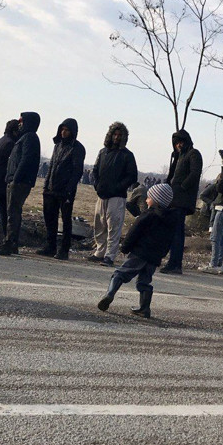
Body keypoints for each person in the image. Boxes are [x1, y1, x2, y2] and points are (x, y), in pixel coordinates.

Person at [97, 183, 179, 318]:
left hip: (139, 253)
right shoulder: (171, 220)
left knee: (120, 274)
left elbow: (134, 231)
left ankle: (109, 294)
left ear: (156, 200)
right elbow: (169, 241)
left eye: (148, 197)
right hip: (154, 258)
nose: (146, 200)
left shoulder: (148, 215)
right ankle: (144, 308)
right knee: (144, 282)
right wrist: (161, 255)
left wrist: (125, 247)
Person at [88, 122, 138, 267]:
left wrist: (117, 187)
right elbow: (95, 170)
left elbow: (131, 176)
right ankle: (100, 252)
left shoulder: (127, 155)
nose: (116, 137)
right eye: (114, 134)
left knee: (113, 227)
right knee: (99, 225)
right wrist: (97, 185)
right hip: (101, 195)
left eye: (119, 135)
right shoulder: (103, 152)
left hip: (117, 196)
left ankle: (110, 256)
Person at [36, 118, 85, 261]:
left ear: (72, 132)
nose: (63, 132)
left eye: (67, 130)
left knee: (66, 221)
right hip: (51, 189)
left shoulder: (77, 148)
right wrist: (45, 186)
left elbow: (77, 171)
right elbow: (51, 166)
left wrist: (69, 190)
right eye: (62, 129)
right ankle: (50, 247)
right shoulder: (57, 145)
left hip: (65, 191)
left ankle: (64, 250)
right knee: (49, 219)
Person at [0, 111, 41, 256]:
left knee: (13, 212)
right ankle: (10, 242)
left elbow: (25, 160)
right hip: (15, 179)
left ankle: (10, 243)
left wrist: (16, 178)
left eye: (22, 122)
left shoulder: (30, 138)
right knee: (12, 212)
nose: (19, 124)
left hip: (20, 182)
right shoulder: (24, 138)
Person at [161, 129, 203, 274]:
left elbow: (195, 173)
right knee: (173, 232)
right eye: (176, 143)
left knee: (177, 233)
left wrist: (182, 186)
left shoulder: (193, 154)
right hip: (174, 198)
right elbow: (172, 175)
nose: (179, 145)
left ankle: (175, 264)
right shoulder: (179, 157)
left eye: (181, 142)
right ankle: (172, 262)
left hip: (182, 199)